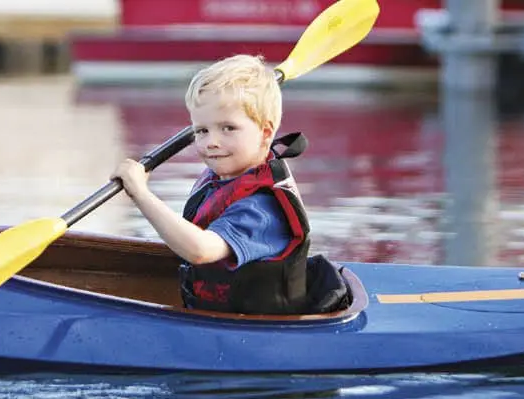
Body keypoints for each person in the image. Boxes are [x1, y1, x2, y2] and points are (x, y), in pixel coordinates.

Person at [110, 54, 348, 315]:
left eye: (228, 128)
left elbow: (200, 250)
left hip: (259, 332)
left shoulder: (260, 209)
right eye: (202, 130)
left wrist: (141, 194)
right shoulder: (224, 177)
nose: (212, 142)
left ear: (266, 133)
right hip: (218, 315)